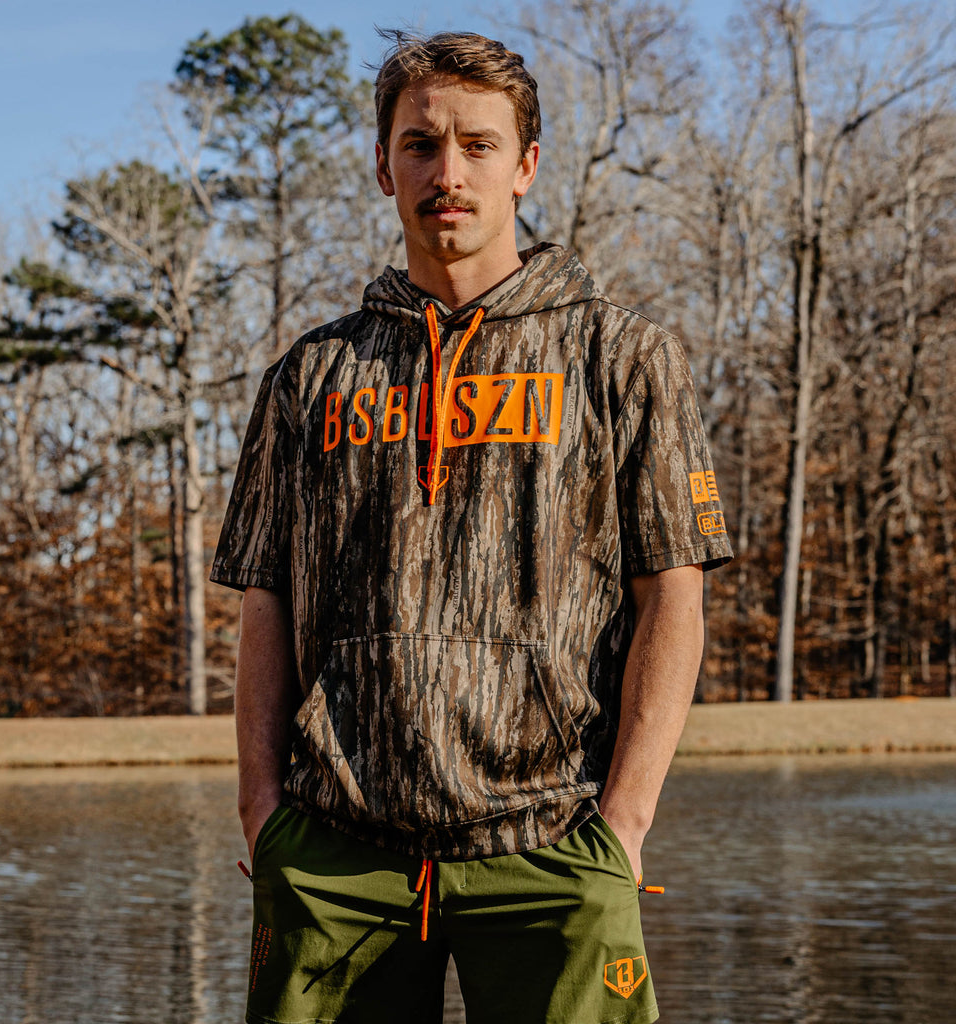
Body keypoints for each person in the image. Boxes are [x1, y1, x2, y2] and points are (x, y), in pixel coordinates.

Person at [211, 29, 732, 1024]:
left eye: (479, 145)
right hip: (335, 856)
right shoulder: (310, 375)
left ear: (526, 166)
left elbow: (673, 595)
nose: (446, 172)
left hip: (550, 843)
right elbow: (264, 594)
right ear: (382, 166)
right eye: (419, 144)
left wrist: (622, 822)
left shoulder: (621, 359)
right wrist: (260, 808)